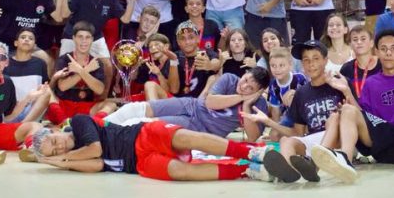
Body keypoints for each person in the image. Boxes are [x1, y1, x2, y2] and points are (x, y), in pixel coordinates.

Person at [308, 29, 394, 189]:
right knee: (347, 109)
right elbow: (364, 118)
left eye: (393, 48)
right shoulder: (371, 83)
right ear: (377, 52)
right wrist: (346, 91)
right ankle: (345, 160)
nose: (388, 52)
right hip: (383, 142)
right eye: (383, 48)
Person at [30, 109, 272, 182]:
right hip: (138, 164)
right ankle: (247, 171)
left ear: (54, 131)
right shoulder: (72, 158)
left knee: (186, 138)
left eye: (55, 142)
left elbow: (95, 149)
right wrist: (62, 163)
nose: (60, 148)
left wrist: (62, 159)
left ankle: (251, 151)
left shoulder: (78, 121)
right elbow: (97, 165)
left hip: (141, 135)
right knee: (179, 172)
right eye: (55, 151)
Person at [245, 40, 354, 184]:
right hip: (315, 141)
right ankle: (290, 171)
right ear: (302, 64)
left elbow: (357, 115)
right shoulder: (301, 93)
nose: (311, 64)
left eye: (316, 58)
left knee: (334, 118)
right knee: (286, 141)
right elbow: (297, 132)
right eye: (306, 60)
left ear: (326, 60)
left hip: (339, 138)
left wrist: (346, 91)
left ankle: (313, 165)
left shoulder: (339, 82)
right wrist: (268, 121)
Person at [104, 65, 270, 141]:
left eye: (251, 88)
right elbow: (210, 102)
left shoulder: (258, 104)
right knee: (136, 108)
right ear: (245, 73)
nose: (244, 86)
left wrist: (246, 106)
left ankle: (107, 137)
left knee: (146, 123)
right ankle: (100, 126)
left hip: (200, 128)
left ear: (258, 91)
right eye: (246, 79)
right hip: (192, 105)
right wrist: (241, 98)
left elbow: (253, 138)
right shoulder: (230, 79)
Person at [46, 23, 109, 122]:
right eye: (80, 37)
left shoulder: (96, 62)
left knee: (110, 105)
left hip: (87, 107)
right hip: (64, 105)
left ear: (92, 39)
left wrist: (80, 70)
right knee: (47, 94)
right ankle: (64, 123)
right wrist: (87, 70)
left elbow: (100, 90)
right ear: (74, 38)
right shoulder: (64, 59)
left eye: (87, 37)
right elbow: (62, 87)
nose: (84, 41)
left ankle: (92, 123)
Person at [338, 25, 381, 100]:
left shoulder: (383, 65)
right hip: (355, 106)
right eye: (355, 39)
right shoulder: (346, 69)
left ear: (372, 43)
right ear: (350, 45)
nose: (359, 42)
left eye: (363, 39)